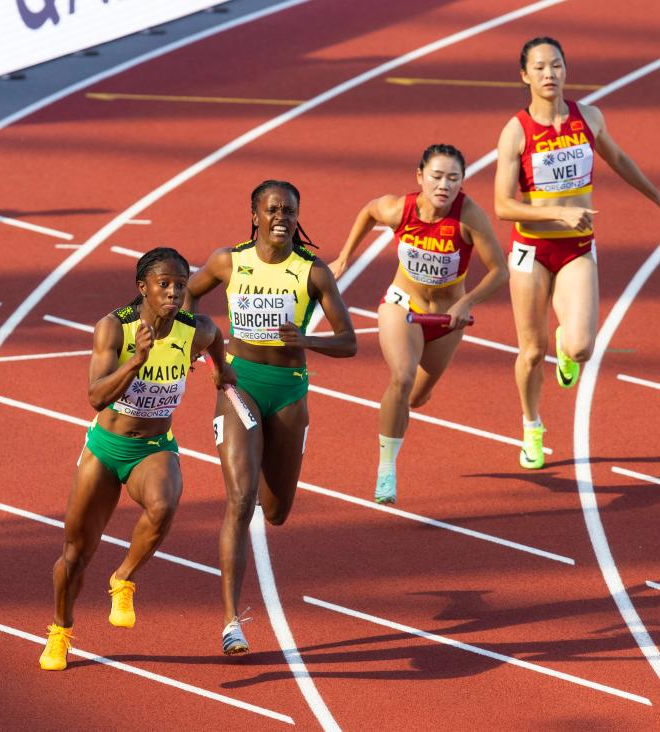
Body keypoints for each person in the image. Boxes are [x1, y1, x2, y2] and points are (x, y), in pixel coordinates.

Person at [495, 37, 660, 470]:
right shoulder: (516, 131)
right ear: (525, 75)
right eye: (540, 67)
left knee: (581, 347)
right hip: (531, 249)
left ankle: (565, 347)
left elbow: (620, 160)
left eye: (557, 65)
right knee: (530, 350)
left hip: (578, 249)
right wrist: (561, 214)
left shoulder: (589, 117)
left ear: (566, 70)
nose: (549, 74)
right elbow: (502, 205)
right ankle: (532, 426)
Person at [39, 247, 234, 671]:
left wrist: (221, 369)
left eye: (180, 285)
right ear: (142, 287)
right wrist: (136, 362)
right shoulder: (114, 328)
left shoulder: (193, 330)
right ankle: (60, 631)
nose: (173, 292)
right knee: (75, 554)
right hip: (106, 448)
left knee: (164, 506)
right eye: (163, 284)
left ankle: (123, 577)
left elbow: (215, 336)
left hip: (153, 447)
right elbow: (95, 397)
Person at [186, 180, 356, 655]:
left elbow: (350, 341)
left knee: (276, 512)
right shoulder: (229, 260)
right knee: (239, 500)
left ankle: (260, 463)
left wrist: (306, 341)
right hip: (239, 386)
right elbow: (189, 297)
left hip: (288, 394)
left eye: (290, 210)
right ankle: (230, 623)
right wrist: (200, 352)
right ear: (255, 214)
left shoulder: (314, 272)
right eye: (274, 209)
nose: (282, 216)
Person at [330, 144, 508, 504]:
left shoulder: (468, 217)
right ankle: (386, 472)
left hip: (446, 318)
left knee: (417, 397)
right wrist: (345, 257)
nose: (444, 185)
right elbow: (369, 211)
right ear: (420, 177)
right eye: (437, 177)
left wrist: (466, 301)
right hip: (403, 305)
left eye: (453, 179)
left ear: (462, 182)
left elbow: (500, 271)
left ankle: (403, 409)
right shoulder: (401, 209)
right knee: (402, 377)